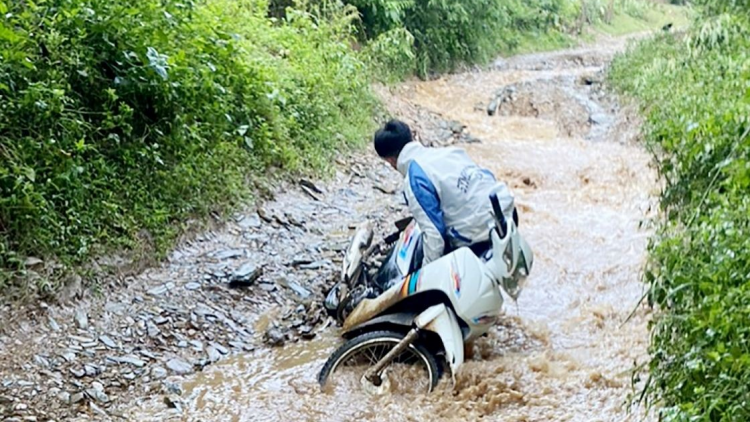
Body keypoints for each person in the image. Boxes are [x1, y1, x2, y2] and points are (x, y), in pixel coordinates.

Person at [373, 119, 517, 266]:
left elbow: (434, 235)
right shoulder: (449, 152)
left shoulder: (415, 178)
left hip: (481, 234)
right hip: (507, 214)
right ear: (412, 138)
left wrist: (427, 273)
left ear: (390, 160)